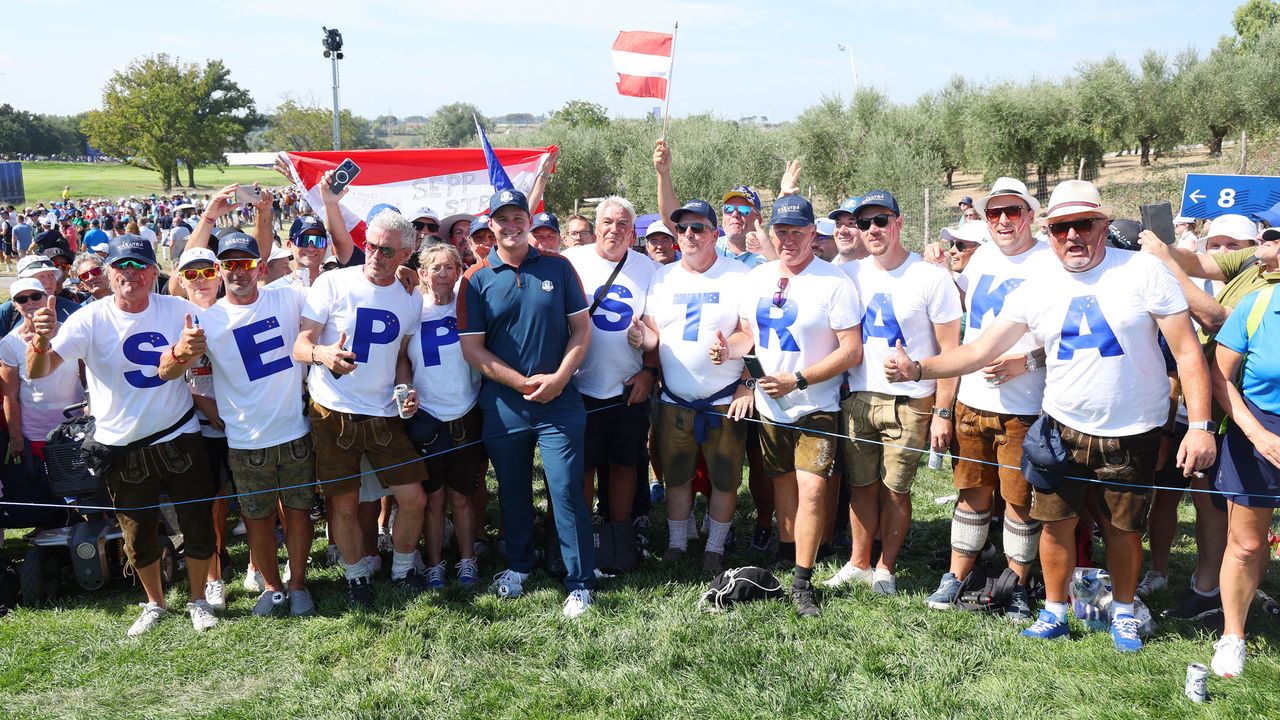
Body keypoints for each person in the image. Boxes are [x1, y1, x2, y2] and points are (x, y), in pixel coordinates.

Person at [885, 179, 1217, 652]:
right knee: (1055, 524)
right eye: (1062, 228)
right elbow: (981, 349)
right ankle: (1054, 610)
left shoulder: (1144, 271)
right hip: (1062, 427)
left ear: (1103, 226)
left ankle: (1123, 610)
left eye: (1084, 224)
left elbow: (1187, 354)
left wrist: (1200, 427)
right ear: (1050, 230)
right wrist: (919, 367)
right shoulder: (1037, 286)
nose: (1073, 236)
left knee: (1124, 530)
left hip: (1133, 430)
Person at [26, 234, 219, 637]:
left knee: (198, 523)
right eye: (120, 267)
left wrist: (188, 352)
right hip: (121, 444)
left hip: (178, 435)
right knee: (135, 533)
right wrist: (40, 340)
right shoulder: (89, 317)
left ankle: (199, 599)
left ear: (153, 272)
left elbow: (186, 365)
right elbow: (38, 371)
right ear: (109, 274)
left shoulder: (178, 309)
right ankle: (155, 603)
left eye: (138, 266)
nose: (129, 274)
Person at [712, 195, 862, 617]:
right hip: (770, 404)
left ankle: (802, 580)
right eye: (782, 231)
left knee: (812, 489)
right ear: (771, 232)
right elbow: (747, 335)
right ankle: (786, 549)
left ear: (814, 234)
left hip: (815, 402)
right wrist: (728, 350)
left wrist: (799, 378)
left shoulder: (833, 282)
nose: (789, 239)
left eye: (798, 231)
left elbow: (851, 350)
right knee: (782, 484)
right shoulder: (757, 278)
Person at [457, 188, 596, 619]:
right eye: (503, 219)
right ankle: (518, 566)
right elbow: (473, 351)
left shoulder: (558, 265)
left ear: (528, 220)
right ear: (491, 226)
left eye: (519, 217)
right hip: (504, 405)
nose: (512, 226)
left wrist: (559, 378)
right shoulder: (475, 279)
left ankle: (579, 581)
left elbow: (581, 331)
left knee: (566, 488)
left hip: (559, 401)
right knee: (513, 491)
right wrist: (520, 383)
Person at [921, 178, 1049, 619]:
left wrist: (1026, 363)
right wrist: (940, 274)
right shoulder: (983, 257)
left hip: (1024, 404)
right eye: (994, 213)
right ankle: (957, 576)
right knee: (970, 492)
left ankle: (1016, 585)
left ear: (1031, 215)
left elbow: (1071, 338)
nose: (1003, 221)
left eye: (1013, 212)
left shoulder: (1050, 263)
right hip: (974, 399)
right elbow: (966, 309)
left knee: (1018, 501)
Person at [292, 210, 432, 606]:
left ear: (405, 253)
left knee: (414, 497)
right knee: (345, 502)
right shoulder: (333, 282)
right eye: (370, 245)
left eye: (386, 250)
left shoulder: (410, 296)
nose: (374, 254)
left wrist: (406, 387)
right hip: (332, 412)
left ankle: (403, 570)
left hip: (384, 412)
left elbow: (402, 355)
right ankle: (356, 579)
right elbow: (300, 345)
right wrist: (323, 355)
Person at [829, 190, 961, 597]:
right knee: (862, 485)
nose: (871, 230)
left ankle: (887, 566)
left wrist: (943, 411)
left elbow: (950, 350)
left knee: (896, 487)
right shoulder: (848, 275)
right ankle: (859, 561)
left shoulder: (930, 276)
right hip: (859, 396)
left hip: (910, 399)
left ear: (899, 222)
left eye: (880, 221)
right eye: (863, 223)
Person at [197, 231, 318, 617]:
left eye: (245, 263)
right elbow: (190, 372)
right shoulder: (207, 318)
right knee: (256, 518)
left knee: (298, 513)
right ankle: (272, 586)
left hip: (293, 431)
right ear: (219, 270)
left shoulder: (288, 296)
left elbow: (332, 292)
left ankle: (298, 583)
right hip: (246, 439)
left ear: (259, 267)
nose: (238, 271)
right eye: (229, 264)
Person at [637, 199, 753, 572]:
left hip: (721, 400)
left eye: (698, 227)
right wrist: (640, 338)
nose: (689, 234)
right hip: (674, 399)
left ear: (714, 234)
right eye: (682, 228)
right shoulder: (663, 276)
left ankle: (715, 548)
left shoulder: (738, 275)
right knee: (676, 476)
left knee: (724, 479)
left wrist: (730, 352)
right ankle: (676, 544)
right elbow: (655, 335)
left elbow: (749, 335)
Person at [563, 197, 658, 531]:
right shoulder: (570, 261)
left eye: (622, 224)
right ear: (595, 226)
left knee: (625, 463)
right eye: (607, 222)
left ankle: (618, 533)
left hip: (628, 385)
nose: (614, 230)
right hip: (578, 385)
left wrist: (649, 371)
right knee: (583, 466)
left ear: (632, 233)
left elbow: (656, 327)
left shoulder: (647, 268)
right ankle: (584, 534)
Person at [1207, 257, 1280, 677]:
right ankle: (1233, 635)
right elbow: (1220, 378)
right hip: (1257, 432)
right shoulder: (1256, 305)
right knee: (1248, 544)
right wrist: (1257, 435)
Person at [400, 244, 485, 589]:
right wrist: (405, 388)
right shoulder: (412, 308)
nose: (443, 274)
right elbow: (401, 356)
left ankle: (467, 560)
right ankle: (435, 563)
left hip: (465, 409)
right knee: (434, 498)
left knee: (462, 495)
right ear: (422, 273)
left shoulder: (469, 304)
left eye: (450, 267)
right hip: (428, 415)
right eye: (435, 268)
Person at [1, 278, 86, 463]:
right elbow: (10, 396)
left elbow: (86, 379)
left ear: (47, 297)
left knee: (78, 486)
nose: (29, 302)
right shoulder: (9, 344)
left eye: (35, 296)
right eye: (22, 300)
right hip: (36, 432)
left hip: (76, 426)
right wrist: (16, 439)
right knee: (44, 487)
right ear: (15, 305)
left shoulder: (69, 333)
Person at [828, 198, 868, 267]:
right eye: (838, 223)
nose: (842, 231)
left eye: (851, 223)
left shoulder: (884, 271)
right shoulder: (826, 272)